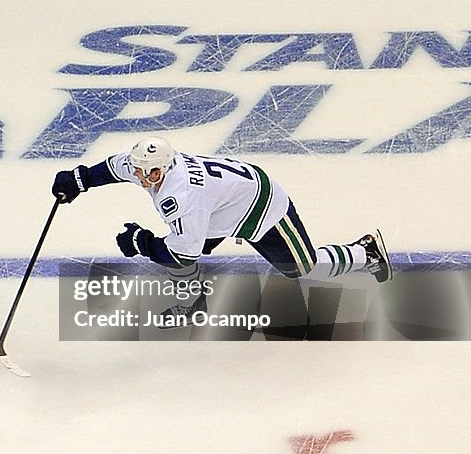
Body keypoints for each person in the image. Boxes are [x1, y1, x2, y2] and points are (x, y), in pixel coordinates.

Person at [51, 136, 392, 321]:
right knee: (180, 245)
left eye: (149, 175)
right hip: (218, 206)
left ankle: (366, 253)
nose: (142, 179)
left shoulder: (180, 195)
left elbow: (185, 252)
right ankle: (192, 301)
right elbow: (114, 168)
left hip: (259, 205)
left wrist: (143, 241)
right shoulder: (146, 163)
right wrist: (80, 180)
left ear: (164, 169)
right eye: (139, 171)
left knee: (301, 268)